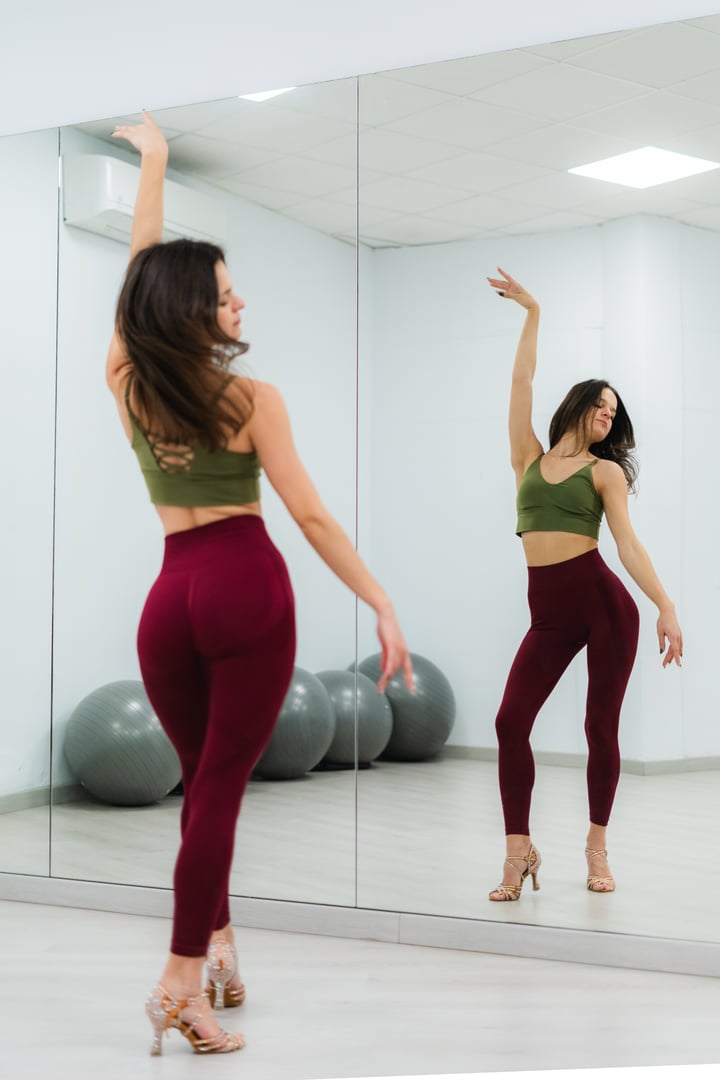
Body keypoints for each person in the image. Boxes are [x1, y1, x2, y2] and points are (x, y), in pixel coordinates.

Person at [107, 111, 413, 1056]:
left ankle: (223, 950)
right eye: (228, 296)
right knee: (219, 795)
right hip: (245, 589)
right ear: (194, 308)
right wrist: (381, 599)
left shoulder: (124, 376)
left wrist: (155, 164)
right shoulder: (254, 400)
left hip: (167, 600)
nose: (241, 307)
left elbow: (137, 277)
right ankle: (179, 981)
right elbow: (312, 517)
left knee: (203, 790)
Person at [485, 267, 682, 903]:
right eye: (599, 405)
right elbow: (521, 382)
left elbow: (627, 545)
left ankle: (597, 845)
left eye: (613, 413)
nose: (605, 416)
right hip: (548, 614)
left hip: (605, 608)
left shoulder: (605, 475)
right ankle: (519, 851)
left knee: (601, 728)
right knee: (510, 721)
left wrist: (665, 605)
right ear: (577, 404)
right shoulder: (528, 458)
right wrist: (532, 312)